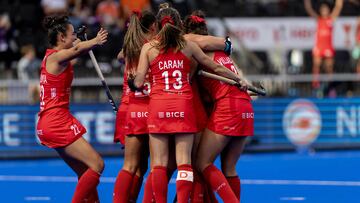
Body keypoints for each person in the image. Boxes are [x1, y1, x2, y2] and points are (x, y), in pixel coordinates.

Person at [131, 5, 244, 203]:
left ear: (158, 25)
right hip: (183, 107)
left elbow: (139, 82)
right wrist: (238, 79)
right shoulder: (188, 46)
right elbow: (215, 67)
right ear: (179, 25)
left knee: (159, 164)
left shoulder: (149, 48)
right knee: (185, 162)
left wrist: (134, 81)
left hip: (159, 108)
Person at [36, 15, 108, 203]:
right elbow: (76, 49)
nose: (75, 35)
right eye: (71, 33)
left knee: (85, 171)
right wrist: (95, 40)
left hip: (51, 121)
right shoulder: (57, 57)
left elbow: (76, 47)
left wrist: (81, 39)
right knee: (97, 164)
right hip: (56, 121)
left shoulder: (54, 57)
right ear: (61, 37)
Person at [184, 11, 253, 202]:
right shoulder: (222, 52)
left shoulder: (197, 50)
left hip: (228, 107)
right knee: (229, 167)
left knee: (202, 162)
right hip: (245, 106)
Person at [113, 10, 157, 203]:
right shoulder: (153, 47)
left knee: (132, 165)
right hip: (150, 108)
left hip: (131, 108)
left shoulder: (129, 47)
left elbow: (120, 56)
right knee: (156, 165)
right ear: (153, 27)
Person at [304, 0, 343, 89]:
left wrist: (339, 2)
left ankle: (330, 86)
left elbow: (338, 7)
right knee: (316, 65)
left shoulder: (331, 19)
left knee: (329, 67)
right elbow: (309, 9)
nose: (325, 11)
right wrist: (307, 2)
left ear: (328, 10)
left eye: (326, 9)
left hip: (328, 47)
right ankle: (315, 85)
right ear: (321, 11)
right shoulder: (318, 20)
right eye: (323, 9)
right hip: (319, 47)